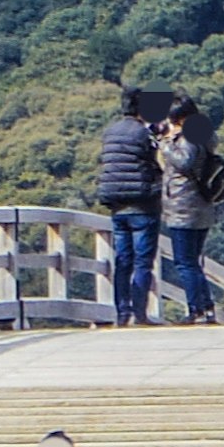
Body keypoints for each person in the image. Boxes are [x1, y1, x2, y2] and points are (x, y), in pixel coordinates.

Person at [94, 85, 166, 323]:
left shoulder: (110, 131)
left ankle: (122, 312)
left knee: (123, 261)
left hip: (116, 204)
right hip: (143, 204)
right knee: (143, 262)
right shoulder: (144, 134)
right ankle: (140, 313)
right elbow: (157, 162)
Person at [154, 97, 222, 324]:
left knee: (185, 262)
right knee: (193, 261)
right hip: (200, 207)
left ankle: (197, 309)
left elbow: (184, 162)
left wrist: (164, 144)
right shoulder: (204, 134)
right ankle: (207, 307)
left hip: (184, 207)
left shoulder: (189, 138)